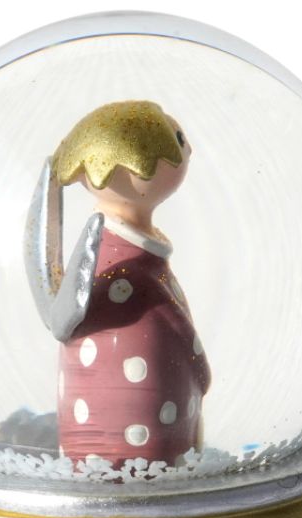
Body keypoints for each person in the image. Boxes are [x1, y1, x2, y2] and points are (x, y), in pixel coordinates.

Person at [30, 100, 210, 468]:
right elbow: (168, 323)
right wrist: (199, 366)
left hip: (162, 429)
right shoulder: (126, 269)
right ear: (133, 166)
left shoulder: (133, 257)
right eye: (177, 140)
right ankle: (121, 469)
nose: (188, 149)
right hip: (139, 439)